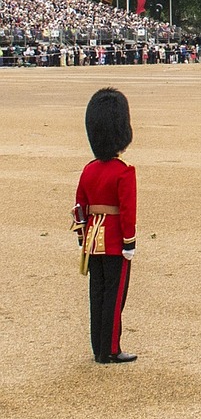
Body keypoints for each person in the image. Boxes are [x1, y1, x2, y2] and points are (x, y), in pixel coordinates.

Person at [72, 88, 139, 364]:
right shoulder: (124, 172)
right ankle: (110, 349)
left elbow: (79, 207)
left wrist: (82, 237)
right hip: (114, 242)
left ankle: (97, 346)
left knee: (97, 294)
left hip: (92, 240)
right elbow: (127, 212)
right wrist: (129, 243)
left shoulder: (89, 169)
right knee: (114, 297)